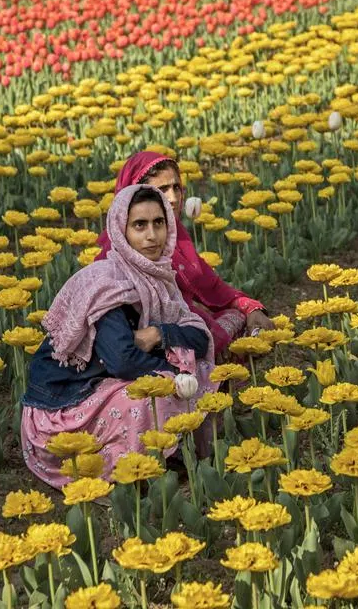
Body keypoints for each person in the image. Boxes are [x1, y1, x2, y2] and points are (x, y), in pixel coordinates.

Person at [21, 185, 219, 487]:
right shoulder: (107, 284)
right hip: (62, 410)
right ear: (121, 229)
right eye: (140, 225)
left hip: (100, 383)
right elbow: (123, 361)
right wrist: (171, 372)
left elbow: (199, 337)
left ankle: (165, 454)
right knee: (155, 394)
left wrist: (158, 333)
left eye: (159, 223)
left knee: (200, 369)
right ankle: (131, 471)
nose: (151, 235)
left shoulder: (158, 278)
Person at [97, 152, 275, 363]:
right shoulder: (113, 258)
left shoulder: (177, 241)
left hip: (180, 330)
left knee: (236, 318)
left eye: (176, 187)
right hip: (139, 348)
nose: (173, 198)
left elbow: (214, 287)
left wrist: (251, 308)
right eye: (161, 190)